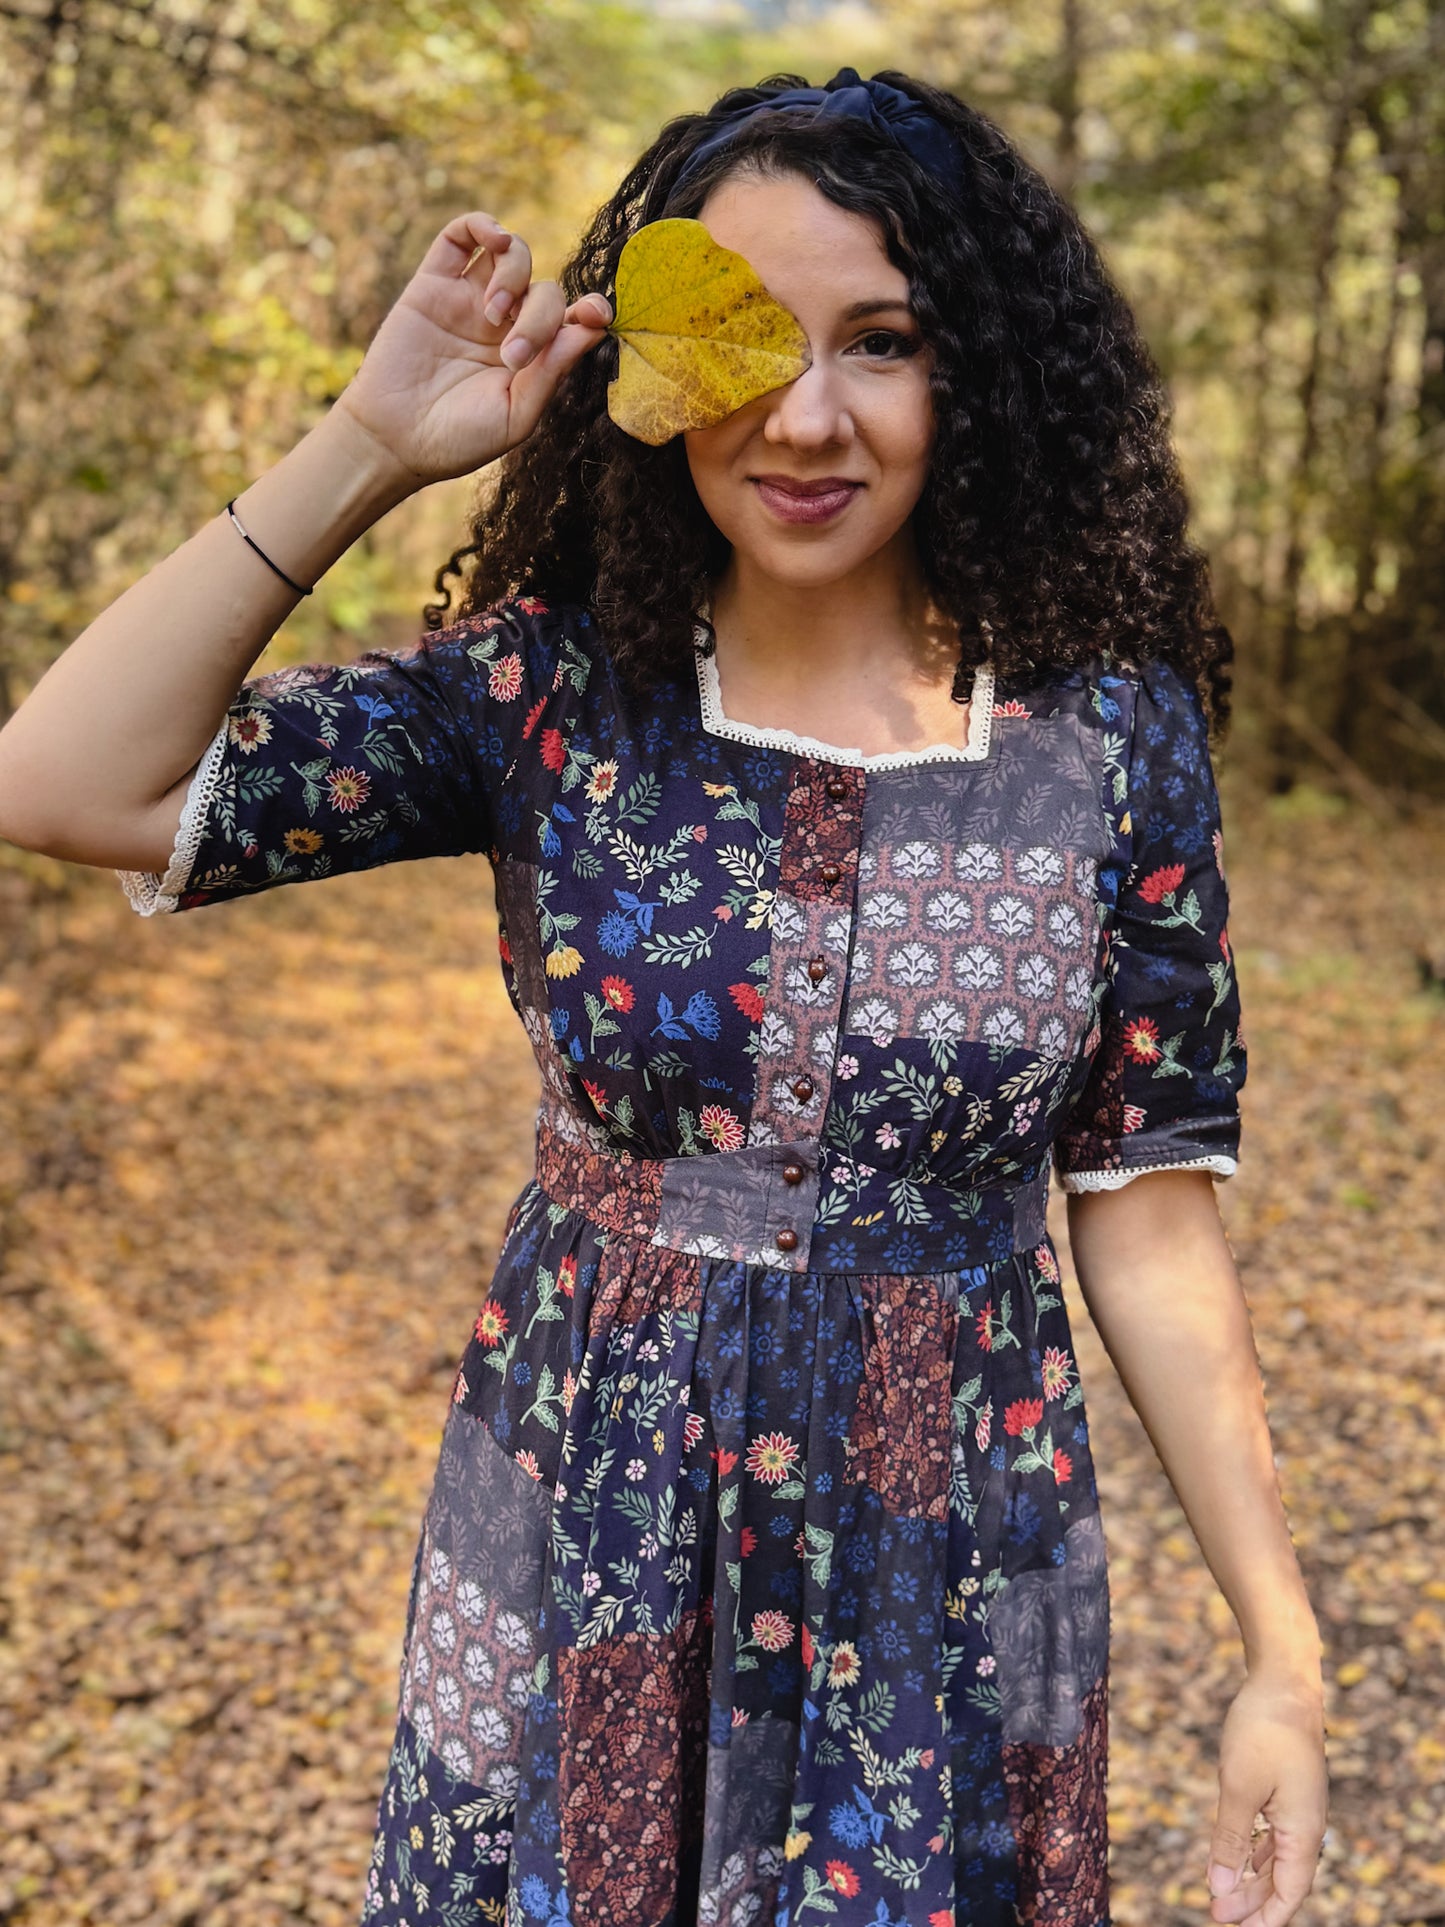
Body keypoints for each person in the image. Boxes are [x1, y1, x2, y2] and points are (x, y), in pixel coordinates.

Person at [0, 66, 1327, 1927]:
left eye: (882, 341)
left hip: (941, 1546)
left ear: (985, 376)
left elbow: (1150, 1206)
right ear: (650, 367)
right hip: (586, 1521)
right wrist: (371, 443)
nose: (807, 413)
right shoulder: (549, 697)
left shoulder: (1106, 733)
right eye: (748, 342)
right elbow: (62, 781)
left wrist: (1281, 1652)